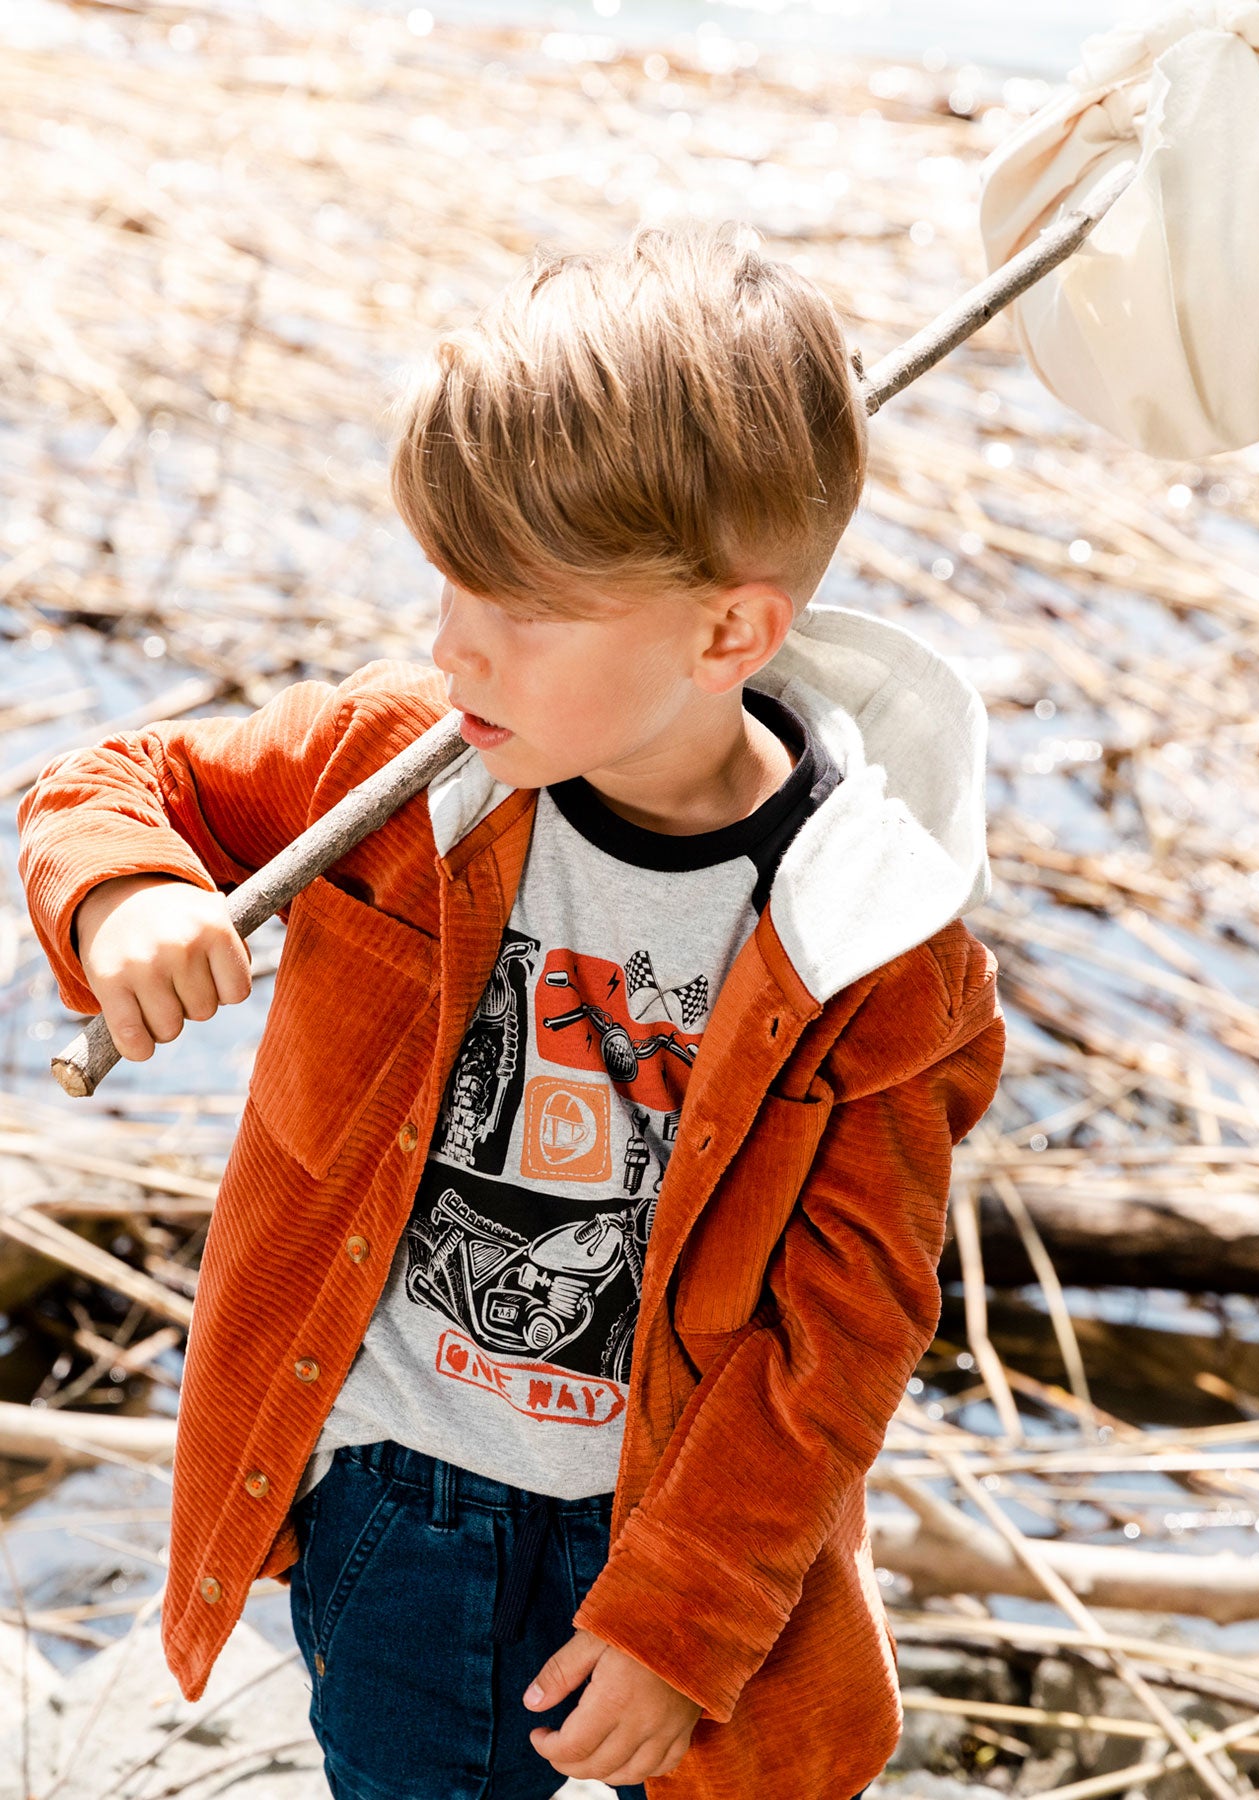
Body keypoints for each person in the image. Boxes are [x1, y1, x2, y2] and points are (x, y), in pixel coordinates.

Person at [17, 221, 1006, 1800]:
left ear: (729, 632)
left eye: (521, 606)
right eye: (446, 583)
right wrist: (126, 896)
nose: (452, 642)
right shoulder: (400, 772)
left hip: (678, 1526)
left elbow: (845, 1333)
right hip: (401, 1506)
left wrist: (686, 1618)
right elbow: (114, 785)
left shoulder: (880, 944)